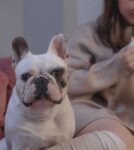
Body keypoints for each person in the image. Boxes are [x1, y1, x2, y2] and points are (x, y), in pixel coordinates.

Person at [46, 0, 134, 149]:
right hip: (87, 107)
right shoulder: (88, 33)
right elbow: (64, 83)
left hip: (127, 115)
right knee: (122, 141)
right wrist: (116, 66)